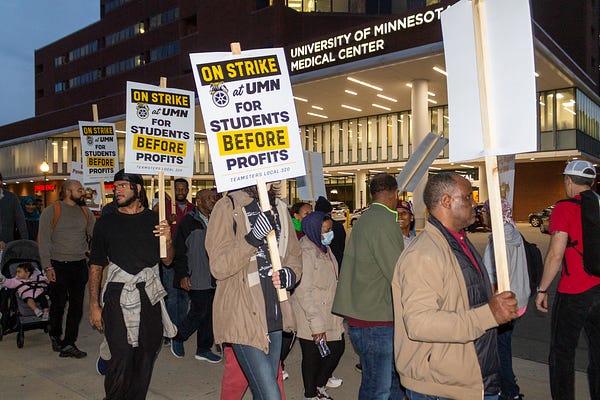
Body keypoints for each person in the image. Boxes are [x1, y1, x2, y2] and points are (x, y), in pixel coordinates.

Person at [393, 172, 519, 400]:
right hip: (440, 385)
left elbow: (462, 296)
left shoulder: (458, 242)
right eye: (468, 197)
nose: (474, 204)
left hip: (474, 374)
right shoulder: (424, 254)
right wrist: (489, 314)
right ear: (446, 201)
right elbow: (419, 323)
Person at [206, 183, 302, 400]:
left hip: (275, 314)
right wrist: (252, 238)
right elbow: (218, 266)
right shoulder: (227, 207)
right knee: (270, 395)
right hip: (243, 315)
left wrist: (291, 274)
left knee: (265, 390)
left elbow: (294, 255)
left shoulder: (280, 208)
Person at [89, 169, 176, 400]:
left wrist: (167, 239)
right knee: (122, 355)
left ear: (137, 189)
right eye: (115, 186)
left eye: (122, 186)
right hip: (118, 294)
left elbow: (168, 260)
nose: (116, 190)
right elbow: (96, 265)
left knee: (147, 353)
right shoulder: (106, 223)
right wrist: (94, 305)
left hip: (149, 293)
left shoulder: (155, 220)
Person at [332, 173, 405, 400]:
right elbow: (398, 273)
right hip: (375, 320)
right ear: (394, 194)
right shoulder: (383, 222)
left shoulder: (366, 219)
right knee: (378, 389)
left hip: (367, 316)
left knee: (387, 385)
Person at [535, 160, 600, 400]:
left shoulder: (564, 208)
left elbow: (555, 254)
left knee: (562, 354)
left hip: (574, 292)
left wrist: (542, 289)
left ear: (569, 181)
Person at [38, 179, 95, 358]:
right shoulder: (51, 211)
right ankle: (55, 335)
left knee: (77, 307)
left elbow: (96, 234)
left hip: (79, 265)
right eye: (79, 190)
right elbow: (43, 241)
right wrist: (47, 267)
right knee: (58, 305)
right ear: (68, 192)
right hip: (58, 265)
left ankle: (69, 342)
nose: (83, 192)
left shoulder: (86, 212)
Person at [293, 211, 345, 400]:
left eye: (330, 230)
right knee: (312, 356)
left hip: (328, 311)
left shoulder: (324, 248)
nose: (329, 234)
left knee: (337, 347)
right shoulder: (306, 252)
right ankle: (310, 394)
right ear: (314, 229)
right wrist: (316, 324)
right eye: (325, 230)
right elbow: (303, 291)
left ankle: (319, 386)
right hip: (311, 314)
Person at [482, 198, 530, 400]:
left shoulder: (498, 241)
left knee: (500, 351)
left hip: (504, 304)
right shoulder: (514, 233)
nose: (482, 215)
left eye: (485, 212)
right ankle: (510, 387)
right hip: (519, 300)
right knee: (504, 347)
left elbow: (491, 277)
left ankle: (509, 392)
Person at [170, 188, 222, 363]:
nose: (213, 200)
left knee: (210, 313)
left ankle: (203, 349)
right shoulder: (188, 221)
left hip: (215, 275)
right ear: (198, 201)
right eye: (209, 198)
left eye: (215, 197)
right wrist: (183, 274)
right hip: (197, 274)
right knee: (199, 311)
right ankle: (178, 337)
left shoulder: (218, 220)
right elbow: (179, 250)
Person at [158, 178, 195, 334]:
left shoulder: (193, 208)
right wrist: (168, 220)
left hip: (187, 258)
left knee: (185, 295)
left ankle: (180, 329)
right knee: (172, 295)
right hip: (170, 257)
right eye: (177, 189)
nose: (180, 192)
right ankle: (171, 330)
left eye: (183, 189)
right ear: (173, 191)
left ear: (187, 190)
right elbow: (156, 229)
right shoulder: (164, 208)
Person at [281, 201, 312, 381]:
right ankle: (278, 363)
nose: (310, 216)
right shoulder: (291, 233)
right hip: (291, 287)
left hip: (301, 284)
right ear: (296, 216)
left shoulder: (307, 233)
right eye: (306, 213)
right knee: (290, 328)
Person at [314, 196, 346, 270]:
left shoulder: (315, 228)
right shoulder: (338, 226)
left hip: (323, 266)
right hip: (337, 262)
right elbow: (342, 246)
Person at [0, 172, 28, 248]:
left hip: (7, 244)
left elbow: (20, 220)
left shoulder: (11, 197)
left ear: (0, 181)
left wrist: (25, 242)